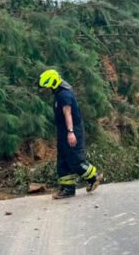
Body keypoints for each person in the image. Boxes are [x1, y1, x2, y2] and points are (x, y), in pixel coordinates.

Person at [37, 69, 102, 199]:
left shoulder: (64, 95)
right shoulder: (58, 93)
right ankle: (68, 188)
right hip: (63, 131)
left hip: (72, 130)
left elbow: (68, 114)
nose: (46, 89)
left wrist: (70, 132)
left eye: (47, 86)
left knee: (75, 159)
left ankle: (94, 177)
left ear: (53, 83)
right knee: (63, 161)